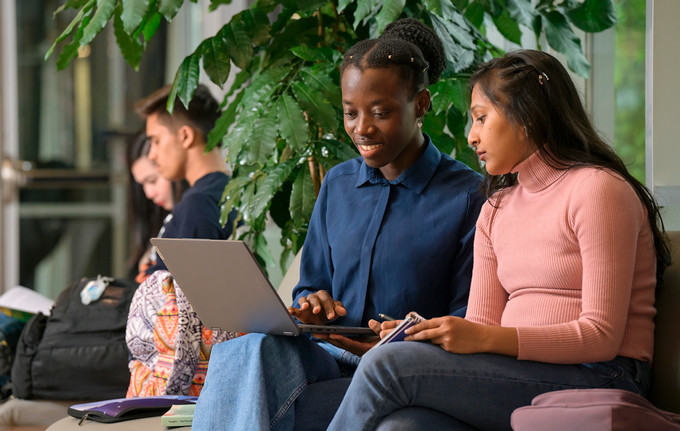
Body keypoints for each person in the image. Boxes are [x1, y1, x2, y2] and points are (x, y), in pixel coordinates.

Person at [327, 49, 672, 431]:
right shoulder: (496, 208)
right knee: (404, 426)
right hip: (517, 374)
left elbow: (601, 338)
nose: (471, 136)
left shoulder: (597, 190)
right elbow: (481, 326)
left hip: (600, 376)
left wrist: (480, 337)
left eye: (481, 118)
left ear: (529, 116)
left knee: (386, 366)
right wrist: (425, 334)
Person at [193, 18, 485, 430]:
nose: (361, 128)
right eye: (351, 113)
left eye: (380, 112)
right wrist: (314, 302)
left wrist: (396, 344)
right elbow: (310, 284)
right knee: (248, 348)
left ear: (421, 105)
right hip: (326, 357)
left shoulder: (468, 195)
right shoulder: (338, 184)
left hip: (403, 368)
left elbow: (469, 315)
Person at [135, 83, 237, 275]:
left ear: (185, 136)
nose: (152, 155)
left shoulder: (198, 205)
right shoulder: (228, 192)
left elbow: (180, 296)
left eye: (156, 141)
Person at [126, 132, 188, 282]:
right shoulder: (164, 222)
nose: (148, 193)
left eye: (153, 181)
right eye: (143, 185)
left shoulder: (192, 213)